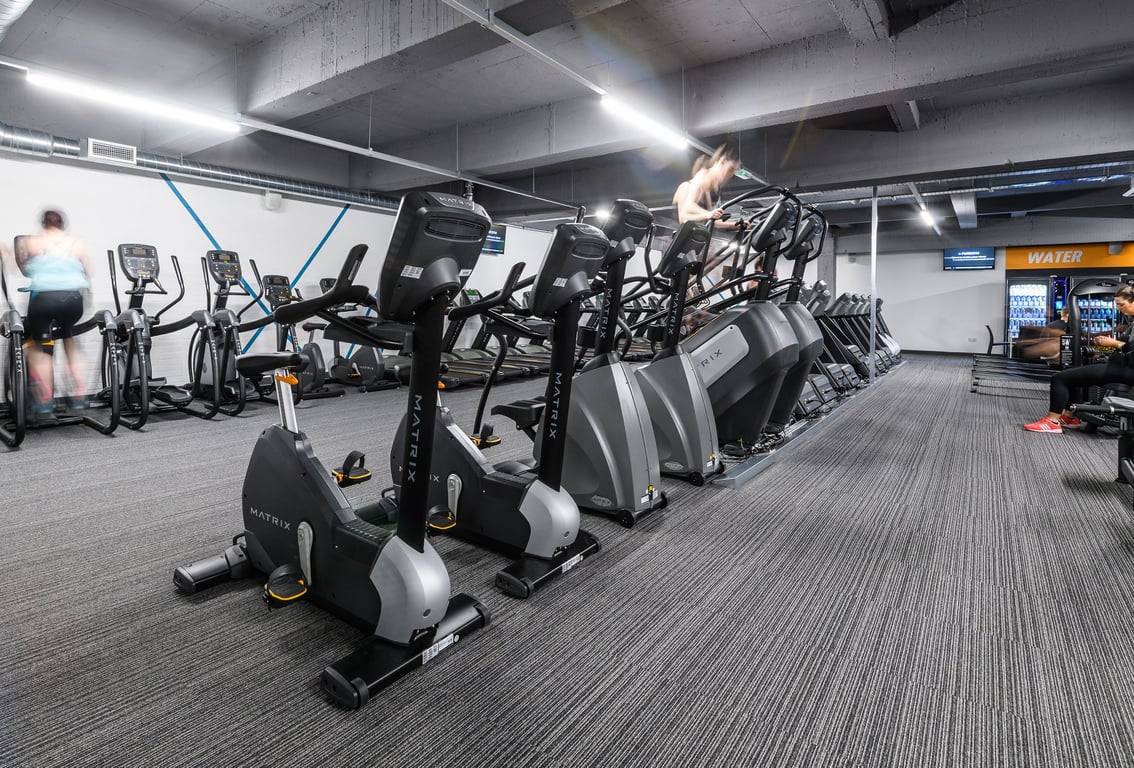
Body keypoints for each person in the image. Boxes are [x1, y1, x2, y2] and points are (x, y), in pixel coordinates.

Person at [12, 210, 92, 418]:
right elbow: (88, 271)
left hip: (44, 300)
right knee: (68, 337)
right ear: (63, 224)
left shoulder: (35, 242)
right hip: (73, 301)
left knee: (39, 345)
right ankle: (79, 392)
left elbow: (22, 268)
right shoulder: (76, 243)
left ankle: (45, 397)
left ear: (43, 224)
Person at [1024, 286, 1134, 433]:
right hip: (1121, 367)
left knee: (1059, 378)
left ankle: (1052, 421)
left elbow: (1130, 349)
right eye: (1117, 305)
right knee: (1072, 374)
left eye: (1122, 305)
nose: (1119, 309)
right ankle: (1070, 416)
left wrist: (1114, 344)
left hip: (1126, 371)